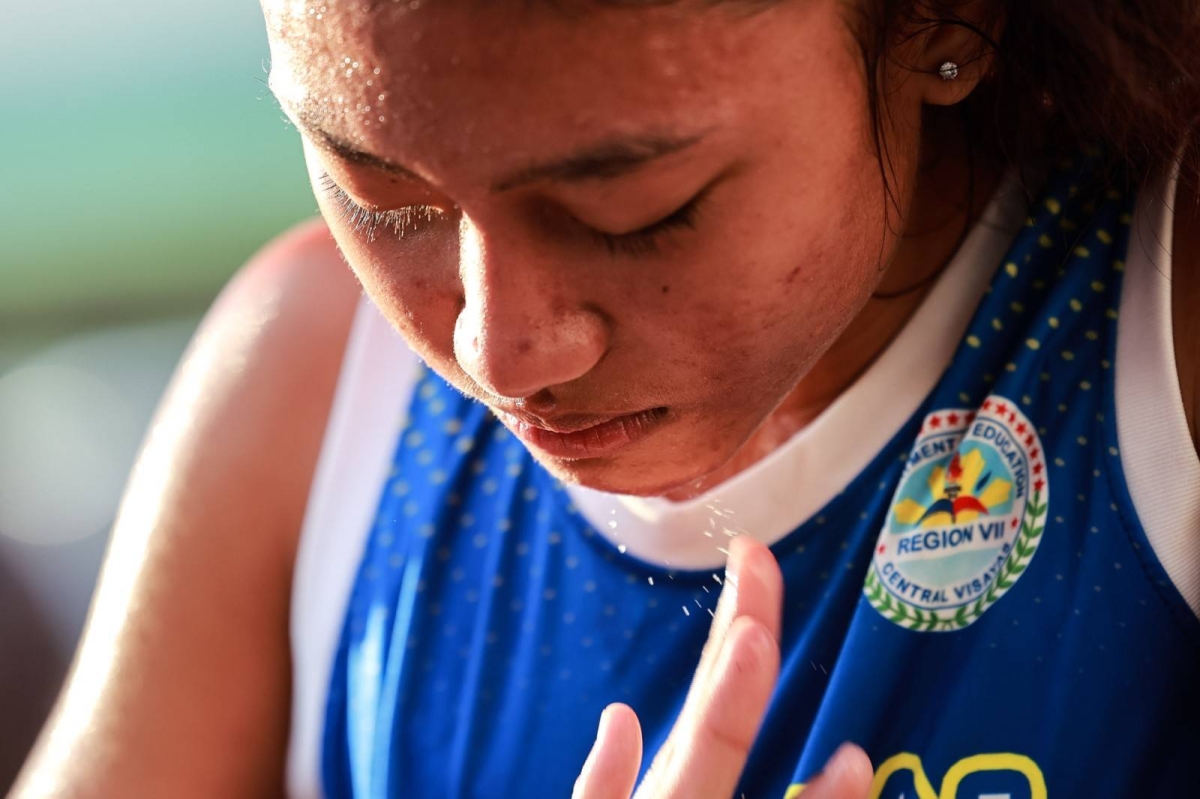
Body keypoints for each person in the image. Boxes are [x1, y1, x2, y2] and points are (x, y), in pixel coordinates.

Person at [11, 0, 1200, 797]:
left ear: (944, 26)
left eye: (630, 212)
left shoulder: (1161, 334)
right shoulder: (309, 386)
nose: (503, 346)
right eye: (380, 194)